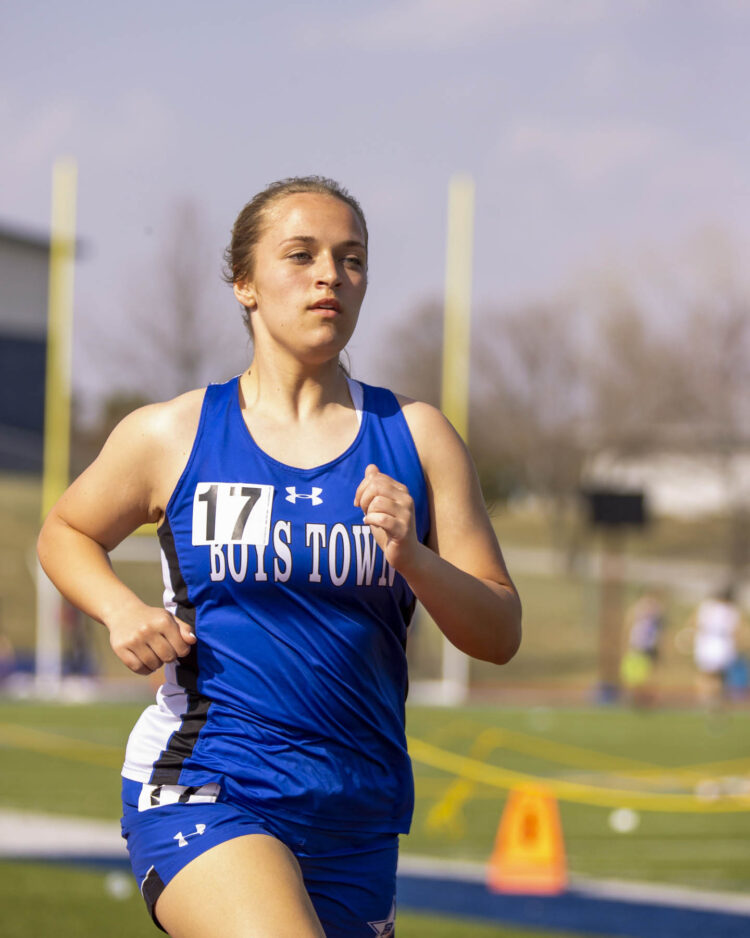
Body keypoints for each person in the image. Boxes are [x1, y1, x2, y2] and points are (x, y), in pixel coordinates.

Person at [37, 176, 522, 938]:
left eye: (351, 259)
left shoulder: (417, 438)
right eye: (301, 255)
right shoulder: (175, 434)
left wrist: (414, 558)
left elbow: (499, 633)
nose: (330, 274)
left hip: (355, 812)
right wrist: (120, 609)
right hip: (210, 785)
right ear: (245, 284)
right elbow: (64, 532)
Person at [690, 586, 743, 706]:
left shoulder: (707, 607)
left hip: (707, 642)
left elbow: (695, 623)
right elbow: (736, 630)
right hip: (721, 643)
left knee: (707, 674)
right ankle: (714, 699)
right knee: (718, 675)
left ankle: (706, 699)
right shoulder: (729, 610)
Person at [620, 590, 665, 707]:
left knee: (647, 675)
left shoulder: (656, 614)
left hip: (648, 648)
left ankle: (647, 700)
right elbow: (628, 622)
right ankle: (635, 698)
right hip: (636, 646)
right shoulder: (638, 610)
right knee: (633, 674)